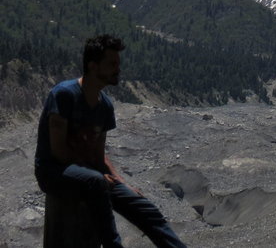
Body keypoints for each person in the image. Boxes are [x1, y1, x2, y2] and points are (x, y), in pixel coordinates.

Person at [34, 34, 186, 248]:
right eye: (112, 64)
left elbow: (98, 155)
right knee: (96, 183)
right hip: (53, 172)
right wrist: (97, 175)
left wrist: (120, 181)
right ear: (93, 66)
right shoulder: (64, 95)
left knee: (145, 208)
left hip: (90, 176)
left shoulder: (105, 106)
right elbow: (58, 151)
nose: (118, 69)